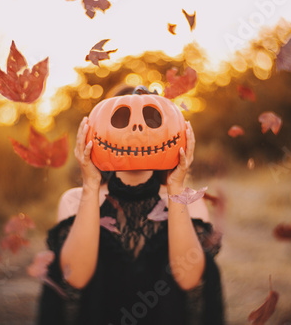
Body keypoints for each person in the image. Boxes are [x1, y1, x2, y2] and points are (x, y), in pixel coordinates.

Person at [37, 88, 224, 325]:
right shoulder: (75, 200)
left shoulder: (190, 203)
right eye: (121, 120)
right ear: (94, 132)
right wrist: (90, 183)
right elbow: (76, 277)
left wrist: (176, 186)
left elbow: (187, 279)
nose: (136, 129)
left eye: (151, 120)